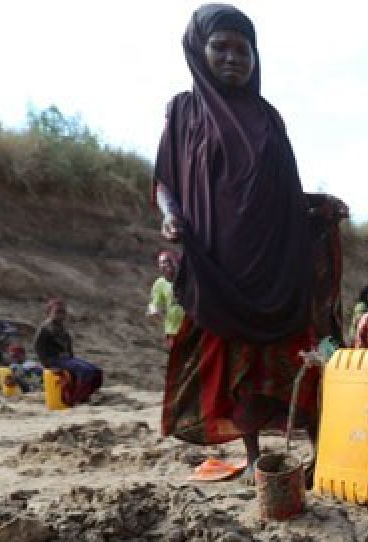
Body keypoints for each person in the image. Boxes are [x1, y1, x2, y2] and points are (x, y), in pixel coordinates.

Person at [153, 4, 344, 476]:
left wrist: (318, 204)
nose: (234, 58)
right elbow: (165, 181)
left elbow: (280, 190)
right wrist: (170, 217)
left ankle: (323, 456)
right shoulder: (183, 110)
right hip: (220, 261)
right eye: (222, 48)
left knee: (298, 357)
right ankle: (258, 458)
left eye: (245, 50)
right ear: (200, 50)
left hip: (277, 260)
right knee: (240, 367)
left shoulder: (268, 117)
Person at [34, 299, 103, 405]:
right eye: (57, 312)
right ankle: (74, 399)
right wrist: (47, 365)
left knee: (96, 371)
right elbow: (39, 348)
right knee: (85, 371)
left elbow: (68, 347)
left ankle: (87, 394)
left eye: (63, 312)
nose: (61, 315)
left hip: (66, 359)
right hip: (54, 359)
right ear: (49, 312)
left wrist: (72, 360)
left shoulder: (62, 328)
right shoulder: (45, 328)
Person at [147, 250, 186, 347]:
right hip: (172, 328)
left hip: (190, 326)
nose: (164, 265)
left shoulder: (187, 280)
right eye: (161, 263)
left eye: (168, 262)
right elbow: (155, 302)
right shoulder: (160, 283)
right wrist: (153, 310)